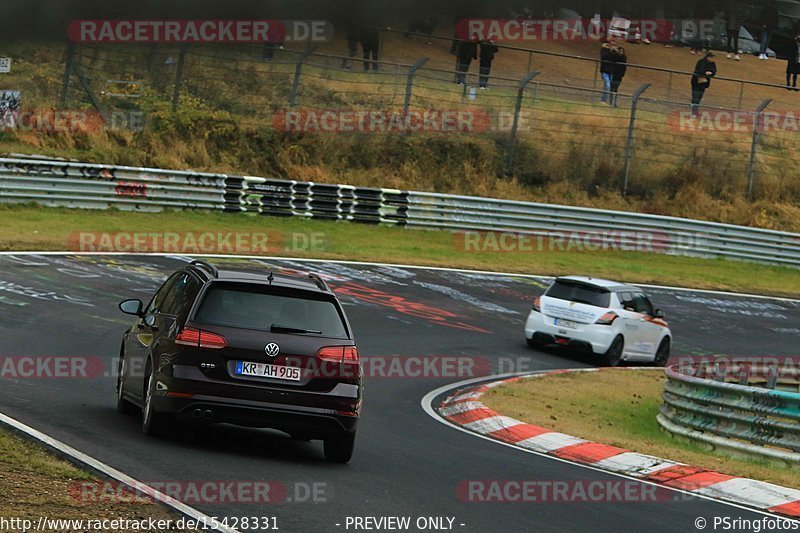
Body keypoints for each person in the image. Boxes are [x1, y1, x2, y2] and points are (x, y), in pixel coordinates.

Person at [691, 52, 717, 117]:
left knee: (699, 97)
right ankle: (693, 112)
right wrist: (705, 72)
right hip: (696, 82)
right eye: (711, 57)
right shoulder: (701, 62)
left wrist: (711, 72)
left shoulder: (712, 63)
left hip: (703, 83)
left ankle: (695, 111)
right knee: (695, 97)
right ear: (708, 57)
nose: (712, 59)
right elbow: (698, 71)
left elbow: (714, 71)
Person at [600, 39, 618, 104]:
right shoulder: (604, 50)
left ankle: (603, 100)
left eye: (614, 44)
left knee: (607, 86)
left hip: (611, 71)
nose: (612, 46)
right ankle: (603, 100)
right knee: (607, 85)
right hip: (605, 70)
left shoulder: (615, 51)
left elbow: (616, 59)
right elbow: (604, 57)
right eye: (611, 44)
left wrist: (615, 51)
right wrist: (609, 51)